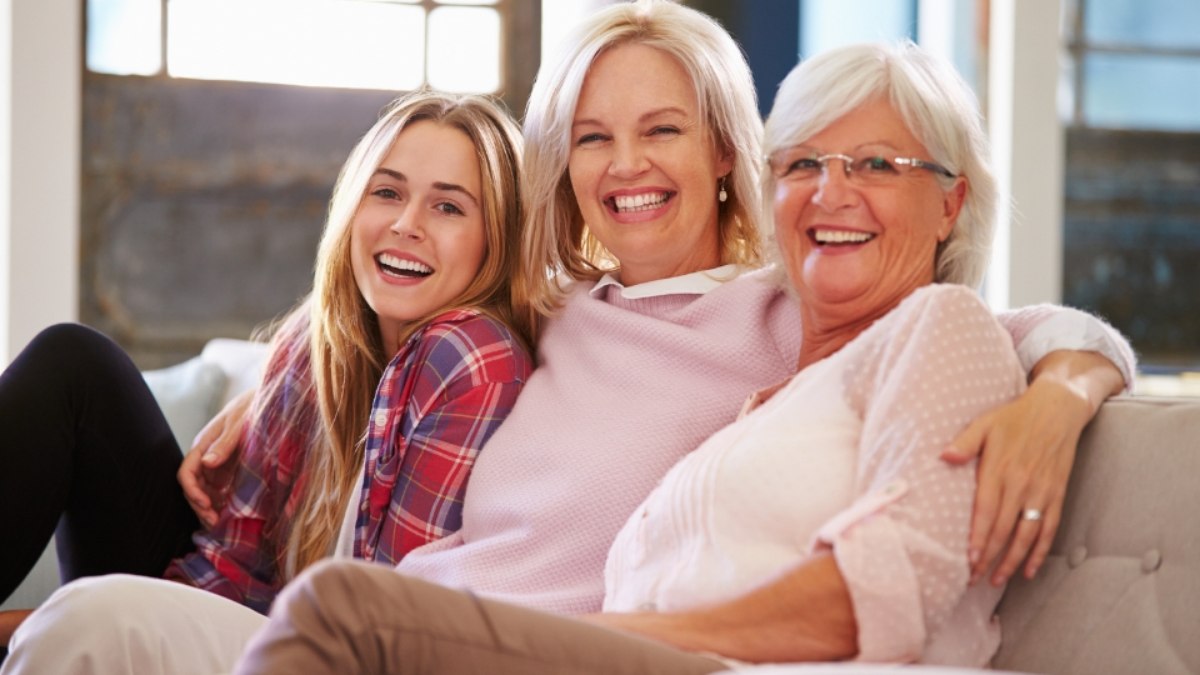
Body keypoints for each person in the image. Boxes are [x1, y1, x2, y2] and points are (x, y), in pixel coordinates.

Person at [2, 1, 1133, 672]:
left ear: (725, 153)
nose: (626, 166)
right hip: (385, 621)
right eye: (593, 138)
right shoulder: (548, 308)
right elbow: (401, 276)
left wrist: (1068, 388)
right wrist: (274, 368)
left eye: (661, 132)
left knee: (89, 617)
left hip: (498, 649)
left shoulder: (793, 313)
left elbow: (1001, 324)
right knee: (76, 400)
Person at [0, 91, 532, 658]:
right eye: (387, 192)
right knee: (75, 364)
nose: (406, 224)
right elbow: (230, 565)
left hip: (318, 648)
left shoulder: (473, 359)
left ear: (497, 238)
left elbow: (384, 631)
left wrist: (25, 625)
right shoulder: (321, 337)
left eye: (448, 207)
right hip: (239, 606)